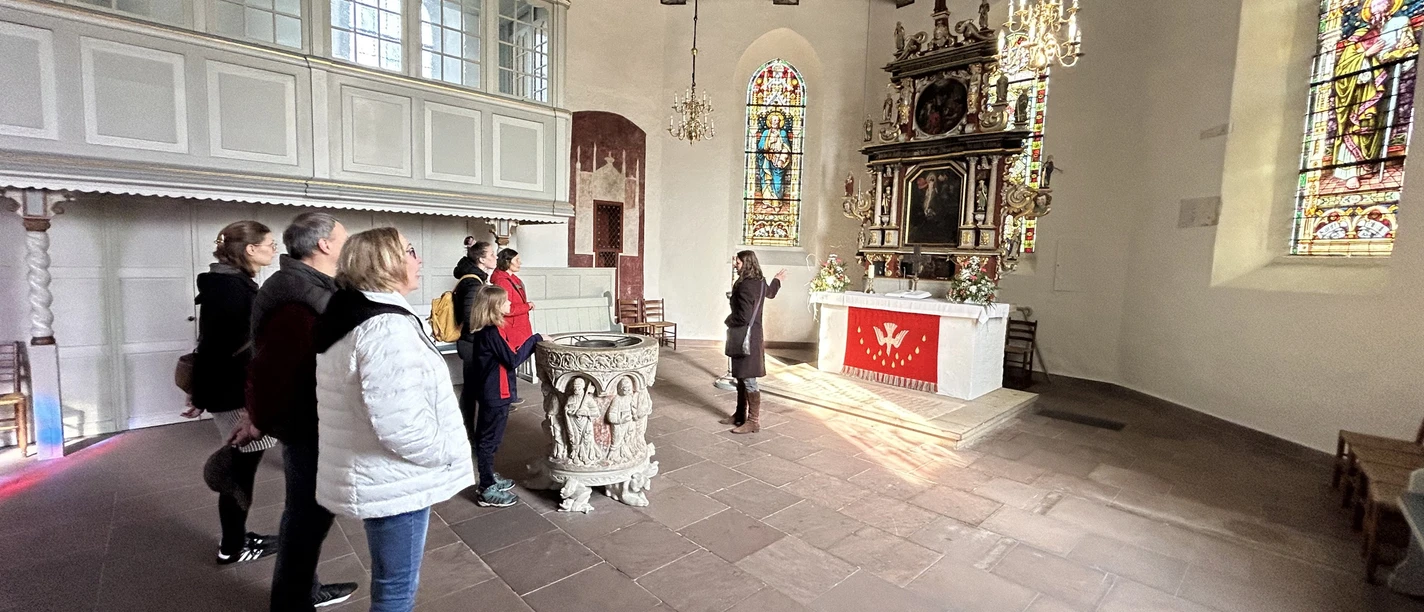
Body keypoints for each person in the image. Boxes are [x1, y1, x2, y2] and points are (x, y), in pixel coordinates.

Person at [314, 228, 474, 612]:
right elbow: (400, 425)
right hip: (393, 477)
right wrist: (448, 451)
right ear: (385, 262)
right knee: (396, 590)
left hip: (373, 471)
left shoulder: (351, 310)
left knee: (392, 582)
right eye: (410, 251)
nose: (418, 260)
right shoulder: (385, 327)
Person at [242, 212, 358, 610]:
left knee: (307, 515)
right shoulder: (299, 292)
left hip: (306, 417)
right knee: (307, 517)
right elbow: (280, 364)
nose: (349, 245)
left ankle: (302, 592)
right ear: (324, 245)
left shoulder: (302, 284)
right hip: (307, 421)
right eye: (343, 238)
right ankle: (293, 602)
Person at [184, 220, 279, 565]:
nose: (274, 250)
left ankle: (235, 538)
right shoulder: (233, 290)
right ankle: (233, 547)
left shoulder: (227, 284)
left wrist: (198, 393)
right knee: (239, 471)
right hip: (237, 395)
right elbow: (229, 352)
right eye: (270, 244)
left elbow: (211, 345)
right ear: (250, 249)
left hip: (229, 391)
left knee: (243, 466)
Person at [466, 284, 545, 507]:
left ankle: (489, 476)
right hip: (494, 393)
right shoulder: (490, 332)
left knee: (493, 439)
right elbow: (512, 360)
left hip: (496, 391)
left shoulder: (491, 330)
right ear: (495, 306)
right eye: (506, 301)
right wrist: (535, 339)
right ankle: (486, 488)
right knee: (488, 440)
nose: (510, 303)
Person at [720, 250, 786, 434]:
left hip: (744, 336)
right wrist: (777, 280)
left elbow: (743, 316)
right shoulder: (760, 282)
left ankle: (753, 421)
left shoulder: (745, 286)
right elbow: (771, 293)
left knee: (748, 378)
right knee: (741, 376)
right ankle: (740, 415)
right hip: (753, 335)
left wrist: (729, 320)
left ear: (747, 263)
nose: (735, 265)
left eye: (738, 263)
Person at [453, 237, 495, 442]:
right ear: (481, 259)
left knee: (473, 390)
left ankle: (469, 433)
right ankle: (468, 435)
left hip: (472, 342)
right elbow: (471, 319)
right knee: (472, 392)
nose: (495, 258)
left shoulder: (475, 279)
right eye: (492, 255)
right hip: (472, 343)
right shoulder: (473, 283)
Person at [489, 248, 534, 405]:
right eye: (516, 260)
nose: (520, 262)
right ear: (507, 262)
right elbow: (505, 309)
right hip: (511, 327)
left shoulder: (511, 279)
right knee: (508, 362)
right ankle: (507, 397)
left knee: (510, 364)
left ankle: (511, 396)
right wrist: (527, 306)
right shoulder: (502, 281)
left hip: (517, 326)